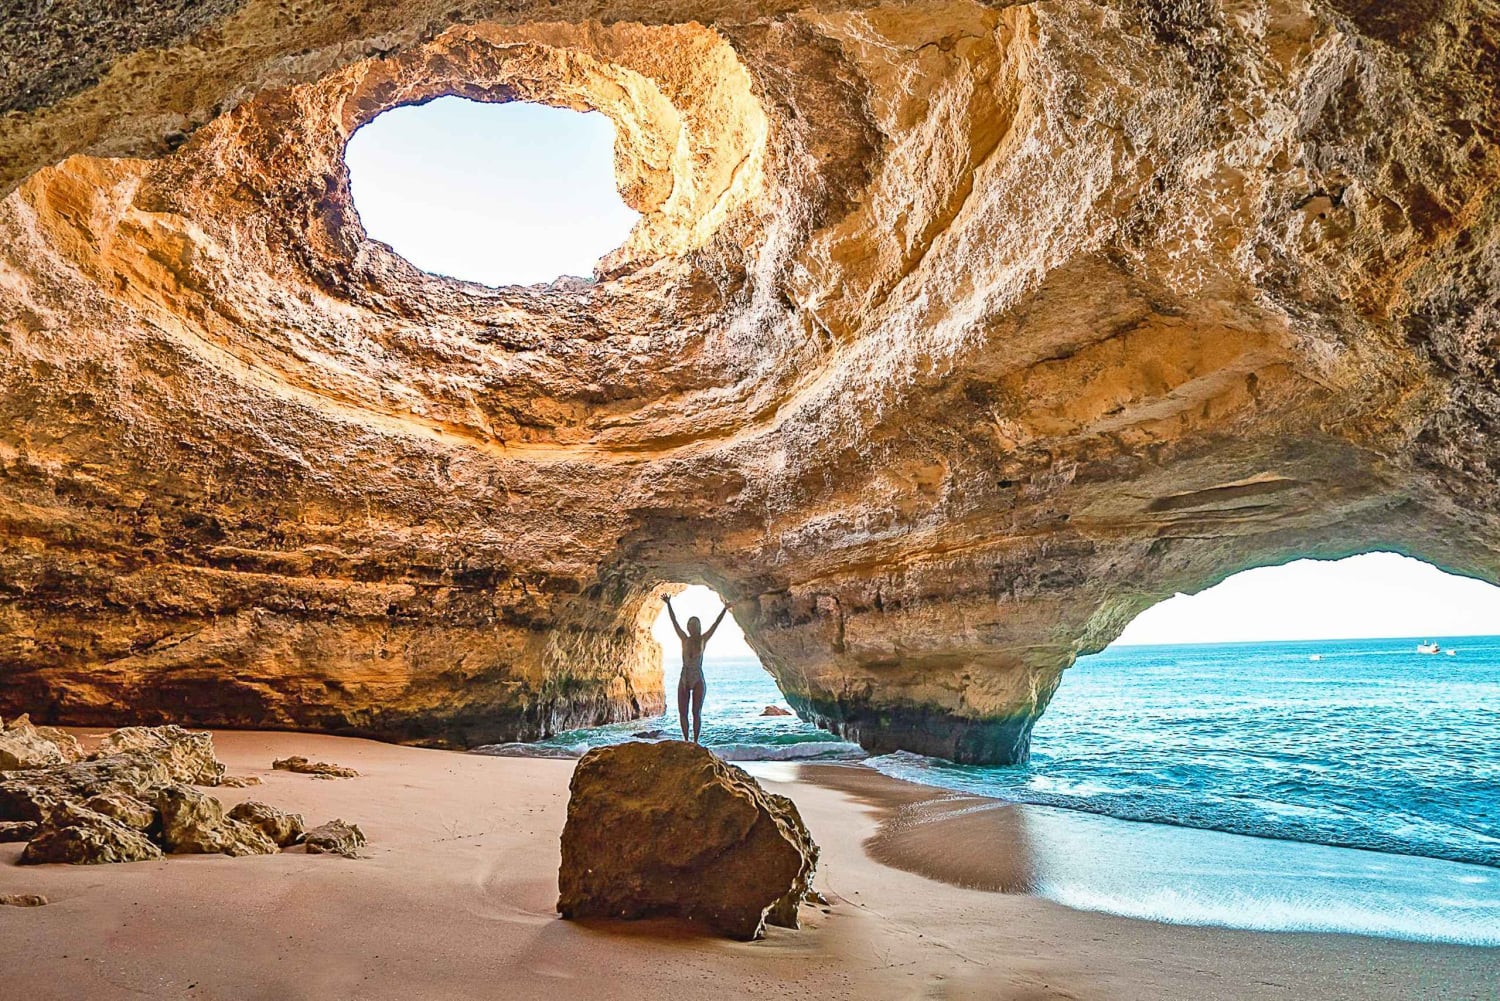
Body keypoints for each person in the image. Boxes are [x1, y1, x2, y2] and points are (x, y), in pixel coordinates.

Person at [662, 595, 729, 743]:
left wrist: (724, 609)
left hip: (698, 678)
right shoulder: (684, 639)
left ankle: (695, 742)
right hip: (684, 677)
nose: (691, 627)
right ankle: (686, 740)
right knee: (682, 713)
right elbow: (674, 623)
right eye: (690, 625)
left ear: (698, 627)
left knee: (696, 713)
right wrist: (668, 604)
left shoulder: (703, 639)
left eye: (694, 625)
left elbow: (715, 624)